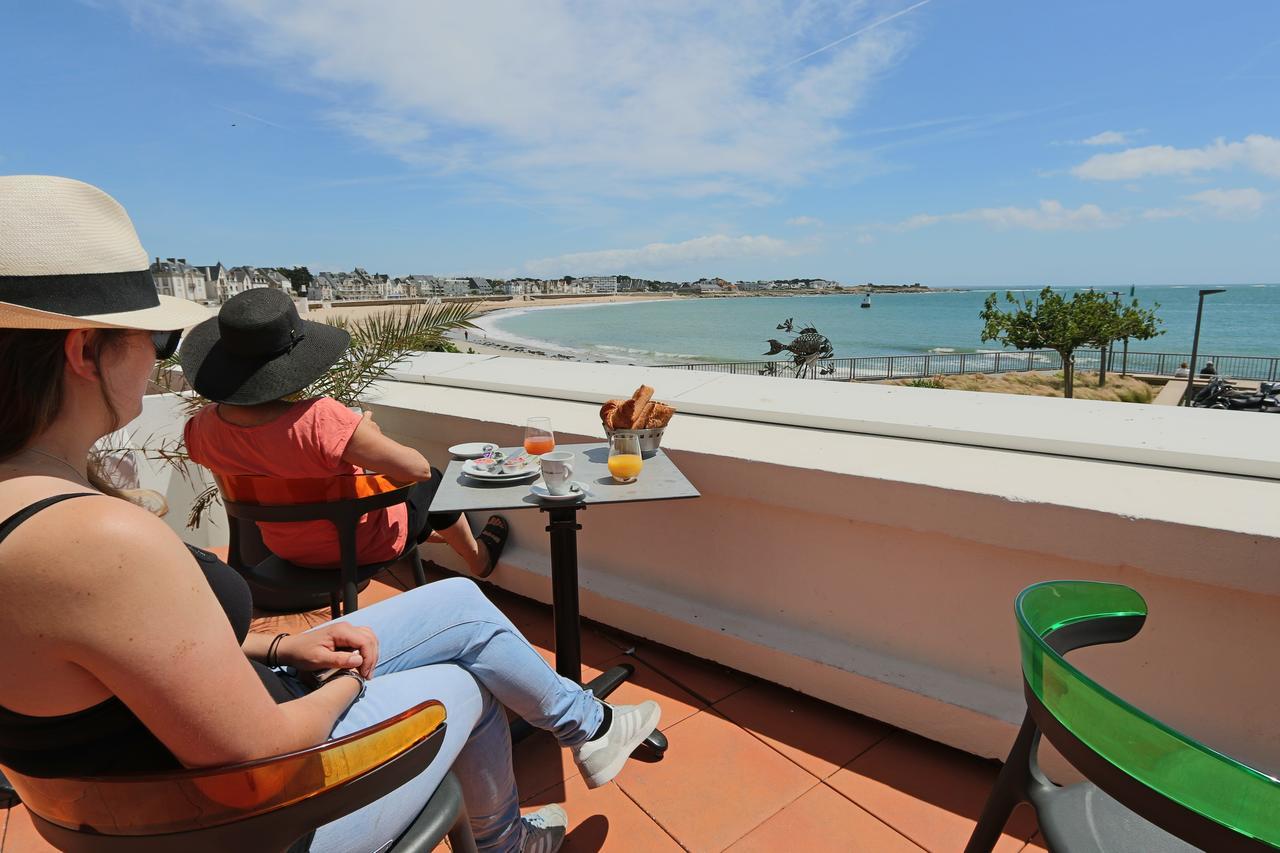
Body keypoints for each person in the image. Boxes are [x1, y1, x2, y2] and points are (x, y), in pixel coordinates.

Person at [0, 176, 661, 853]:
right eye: (156, 337)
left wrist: (280, 645)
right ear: (84, 351)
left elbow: (126, 660)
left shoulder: (56, 503)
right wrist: (349, 680)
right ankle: (511, 835)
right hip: (265, 814)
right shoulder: (97, 539)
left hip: (251, 624)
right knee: (469, 670)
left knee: (461, 604)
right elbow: (257, 747)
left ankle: (592, 727)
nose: (154, 356)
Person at [180, 287, 508, 579]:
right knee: (434, 480)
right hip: (358, 547)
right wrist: (366, 434)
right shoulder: (319, 419)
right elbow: (416, 470)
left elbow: (267, 460)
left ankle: (439, 533)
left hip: (284, 547)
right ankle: (477, 559)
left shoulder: (200, 427)